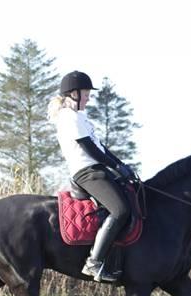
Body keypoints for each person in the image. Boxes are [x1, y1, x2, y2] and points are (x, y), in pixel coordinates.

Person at [49, 71, 135, 282]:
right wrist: (115, 166)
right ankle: (94, 262)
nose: (88, 97)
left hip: (97, 169)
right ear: (73, 94)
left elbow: (101, 147)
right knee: (120, 210)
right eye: (86, 93)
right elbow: (89, 148)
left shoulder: (80, 116)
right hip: (87, 172)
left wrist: (122, 165)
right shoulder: (68, 117)